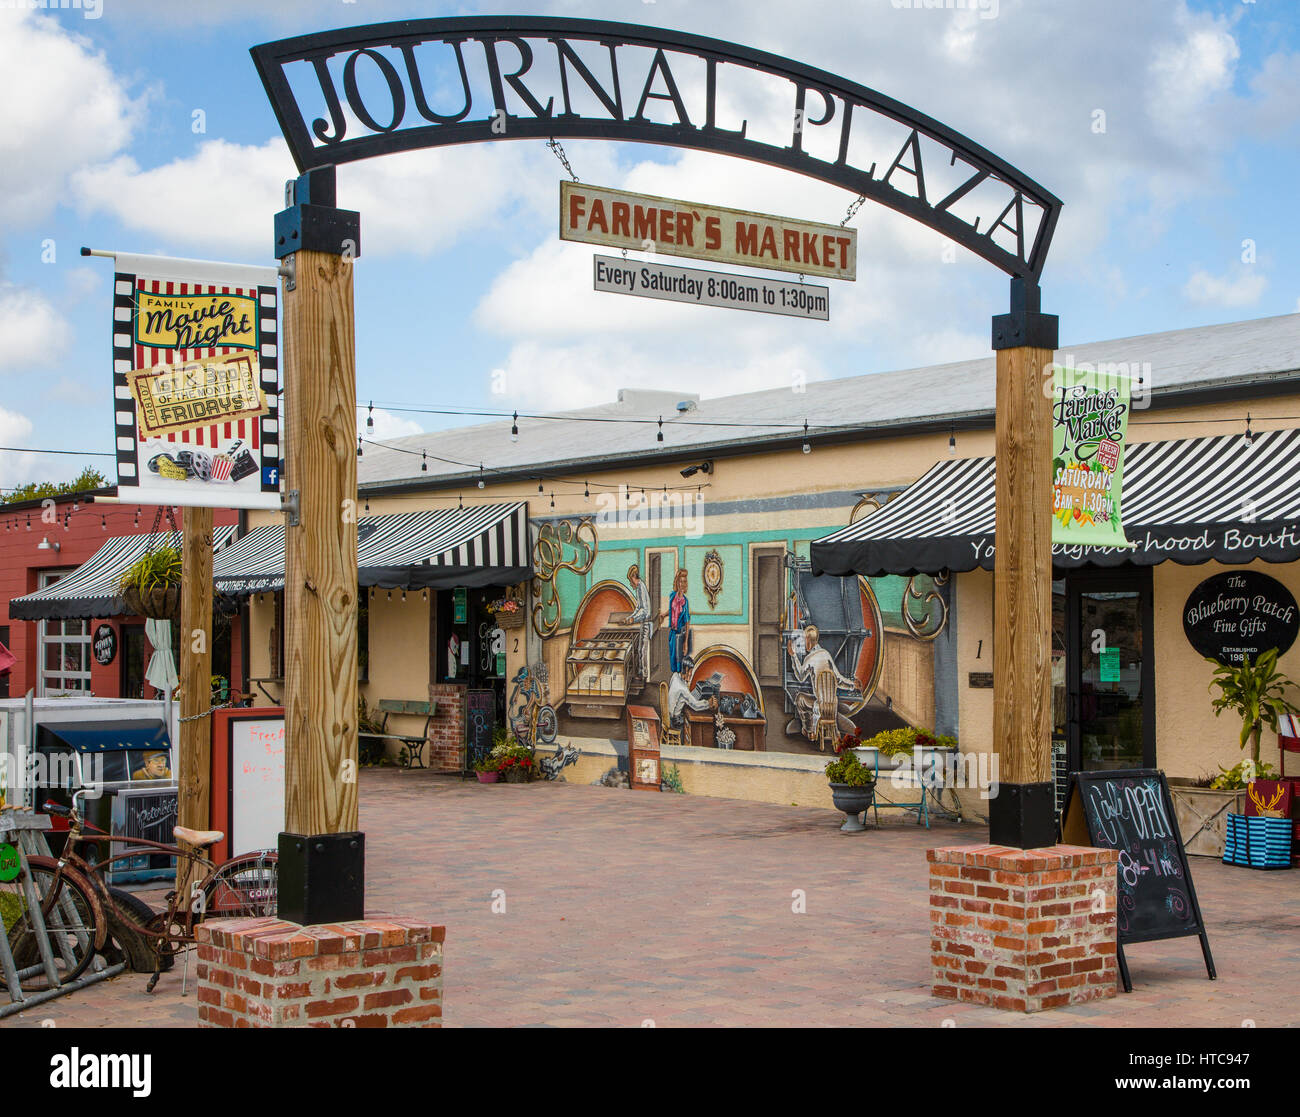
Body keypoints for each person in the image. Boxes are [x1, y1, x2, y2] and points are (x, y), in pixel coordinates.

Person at [787, 625, 860, 739]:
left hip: (819, 705)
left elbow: (800, 677)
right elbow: (839, 680)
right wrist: (852, 685)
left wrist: (793, 656)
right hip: (832, 706)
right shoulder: (826, 654)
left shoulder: (809, 659)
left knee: (800, 698)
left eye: (804, 640)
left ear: (808, 641)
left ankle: (809, 730)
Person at [666, 653, 717, 734]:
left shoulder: (675, 676)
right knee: (692, 727)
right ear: (686, 669)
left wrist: (689, 697)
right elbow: (696, 706)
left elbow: (684, 697)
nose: (691, 674)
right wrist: (708, 703)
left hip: (668, 715)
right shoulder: (682, 688)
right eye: (690, 671)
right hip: (674, 720)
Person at [658, 567, 691, 674]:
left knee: (679, 662)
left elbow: (687, 622)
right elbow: (672, 610)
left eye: (684, 581)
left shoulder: (685, 602)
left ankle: (678, 685)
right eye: (680, 581)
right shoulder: (672, 596)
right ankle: (674, 682)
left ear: (686, 584)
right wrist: (663, 615)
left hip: (680, 634)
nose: (682, 584)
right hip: (672, 633)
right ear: (677, 582)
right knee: (672, 660)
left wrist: (685, 642)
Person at [626, 564, 654, 683]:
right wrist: (630, 617)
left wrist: (634, 619)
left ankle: (643, 676)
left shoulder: (641, 586)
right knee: (639, 649)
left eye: (630, 580)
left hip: (646, 623)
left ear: (634, 576)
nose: (630, 583)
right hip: (642, 623)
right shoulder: (638, 588)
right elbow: (638, 608)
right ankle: (641, 674)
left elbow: (645, 611)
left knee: (642, 650)